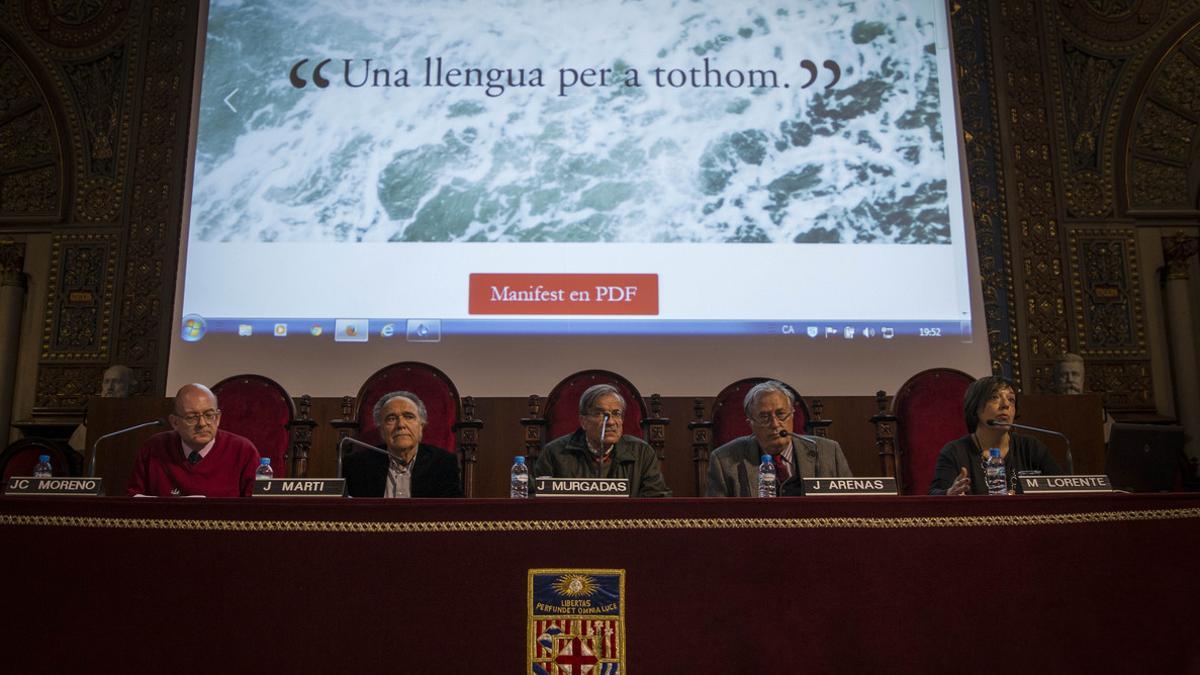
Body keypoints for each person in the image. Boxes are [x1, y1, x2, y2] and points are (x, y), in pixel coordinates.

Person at [706, 380, 852, 497]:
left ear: (793, 415)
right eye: (764, 417)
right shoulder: (724, 460)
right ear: (750, 423)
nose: (775, 424)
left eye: (781, 414)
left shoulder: (828, 452)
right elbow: (718, 519)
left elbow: (850, 506)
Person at [929, 375, 1062, 495]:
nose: (1005, 405)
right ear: (975, 407)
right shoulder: (955, 452)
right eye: (994, 397)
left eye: (1011, 399)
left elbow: (1063, 489)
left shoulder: (1031, 448)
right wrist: (949, 493)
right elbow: (933, 495)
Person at [532, 384, 671, 497]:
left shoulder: (642, 453)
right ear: (583, 421)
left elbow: (657, 501)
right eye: (601, 414)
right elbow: (535, 499)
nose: (610, 422)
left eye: (616, 414)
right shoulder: (555, 453)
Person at [127, 383, 260, 497]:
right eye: (192, 417)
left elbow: (256, 508)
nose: (202, 423)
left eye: (209, 415)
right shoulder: (154, 448)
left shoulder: (243, 451)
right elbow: (134, 498)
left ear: (218, 418)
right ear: (174, 422)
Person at [342, 391, 462, 498]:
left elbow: (453, 513)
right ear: (381, 429)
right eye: (391, 418)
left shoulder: (443, 464)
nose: (401, 425)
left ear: (421, 426)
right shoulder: (357, 465)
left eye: (409, 417)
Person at [69, 364, 134, 451]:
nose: (110, 387)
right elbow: (78, 445)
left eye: (117, 382)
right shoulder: (93, 414)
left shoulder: (136, 415)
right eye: (106, 382)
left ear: (130, 387)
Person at [1054, 352, 1113, 443]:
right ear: (1055, 379)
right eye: (1064, 375)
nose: (1070, 379)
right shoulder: (1043, 411)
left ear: (1083, 379)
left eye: (1075, 374)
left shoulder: (1097, 412)